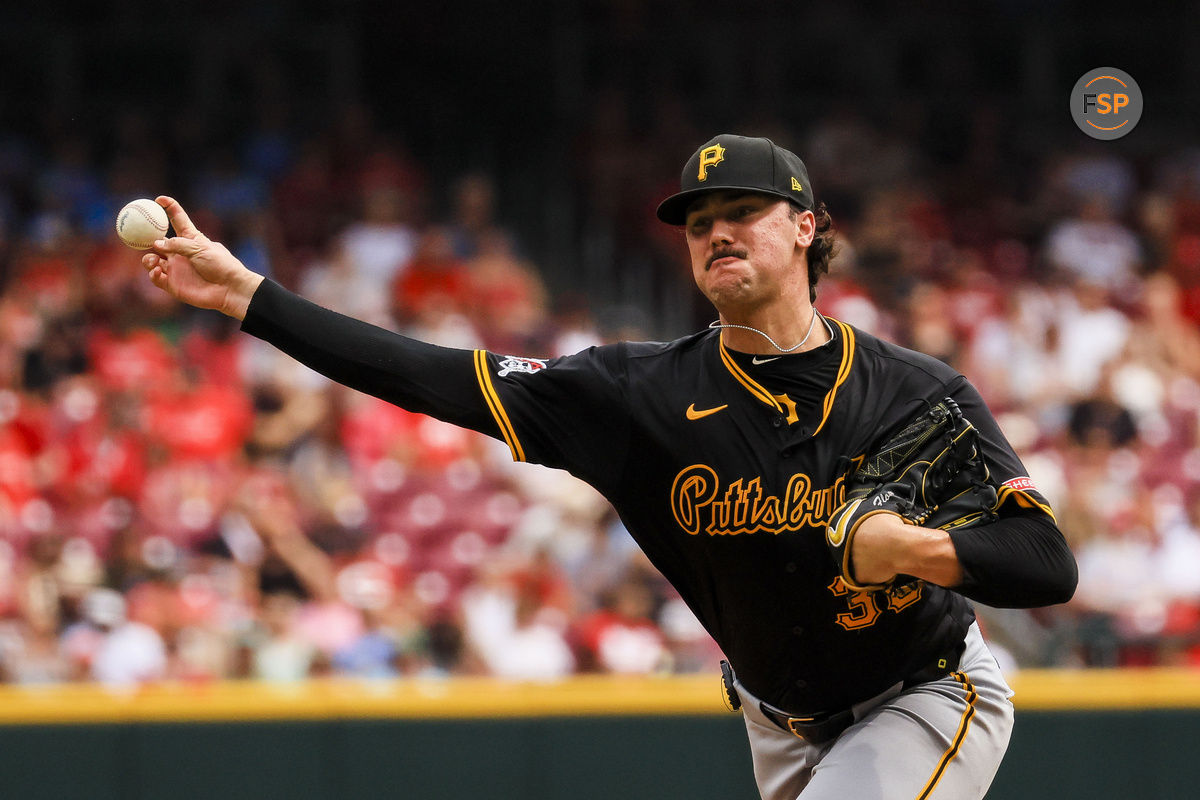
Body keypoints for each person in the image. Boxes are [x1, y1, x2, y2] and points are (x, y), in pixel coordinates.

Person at [140, 133, 1078, 800]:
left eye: (743, 212)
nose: (717, 232)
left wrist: (914, 551)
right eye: (699, 219)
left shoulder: (913, 389)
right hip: (776, 723)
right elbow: (430, 376)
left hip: (923, 689)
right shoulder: (637, 395)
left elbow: (1046, 562)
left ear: (805, 228)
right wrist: (251, 297)